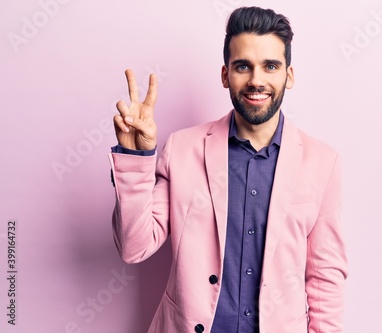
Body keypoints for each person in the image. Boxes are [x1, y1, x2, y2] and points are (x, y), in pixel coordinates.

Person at [109, 6, 348, 333]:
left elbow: (326, 274)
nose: (256, 80)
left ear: (288, 75)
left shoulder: (322, 162)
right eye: (243, 66)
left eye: (271, 66)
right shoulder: (182, 149)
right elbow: (134, 247)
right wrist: (135, 156)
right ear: (226, 75)